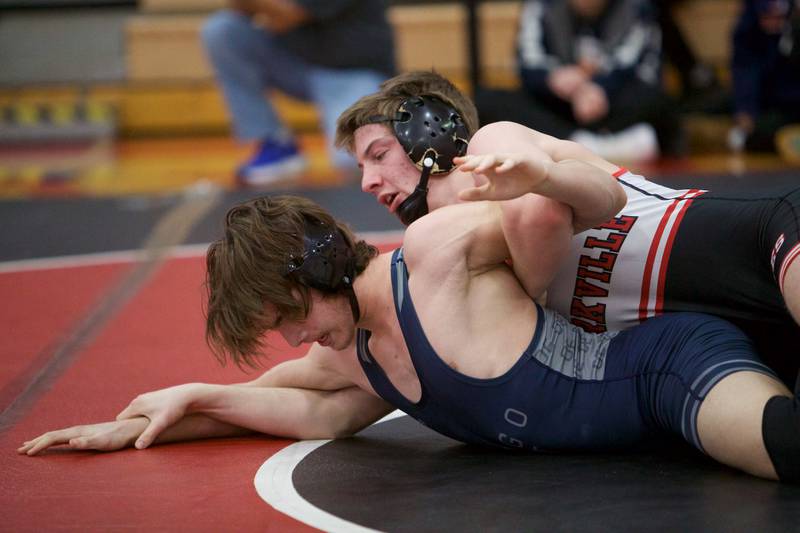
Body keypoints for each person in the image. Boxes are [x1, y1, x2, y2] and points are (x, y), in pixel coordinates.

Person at [18, 191, 799, 483]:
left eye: (289, 316)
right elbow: (295, 408)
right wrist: (173, 404)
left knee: (786, 450)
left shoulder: (431, 255)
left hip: (667, 369)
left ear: (319, 261)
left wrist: (525, 296)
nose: (295, 341)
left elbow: (544, 212)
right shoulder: (353, 361)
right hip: (654, 430)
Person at [336, 70, 800, 387]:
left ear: (429, 130)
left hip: (758, 243)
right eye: (361, 167)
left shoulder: (491, 145)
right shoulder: (448, 254)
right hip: (727, 332)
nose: (367, 182)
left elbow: (542, 212)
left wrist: (524, 300)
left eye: (378, 155)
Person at [201, 0, 395, 186]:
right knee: (223, 30)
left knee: (358, 162)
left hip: (353, 73)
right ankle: (274, 143)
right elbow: (244, 10)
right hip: (297, 65)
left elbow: (287, 14)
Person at [474, 0, 684, 161]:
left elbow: (630, 62)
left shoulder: (636, 7)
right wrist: (554, 79)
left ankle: (569, 146)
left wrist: (598, 88)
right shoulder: (541, 5)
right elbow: (528, 64)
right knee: (487, 100)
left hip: (613, 101)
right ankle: (585, 143)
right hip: (560, 104)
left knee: (661, 101)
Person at [728, 0, 800, 161]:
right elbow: (744, 72)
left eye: (779, 17)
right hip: (766, 102)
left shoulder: (794, 31)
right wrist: (745, 110)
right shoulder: (746, 32)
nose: (774, 23)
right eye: (768, 17)